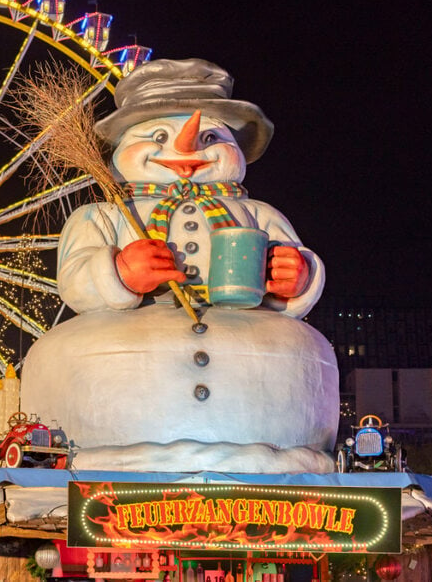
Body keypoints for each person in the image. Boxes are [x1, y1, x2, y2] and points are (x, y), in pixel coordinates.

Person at [20, 58, 339, 473]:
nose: (188, 151)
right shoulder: (103, 215)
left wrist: (295, 278)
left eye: (210, 137)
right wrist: (115, 274)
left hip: (249, 333)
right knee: (66, 351)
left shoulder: (258, 213)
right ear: (120, 148)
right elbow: (76, 276)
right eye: (158, 136)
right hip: (124, 343)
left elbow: (296, 262)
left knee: (302, 347)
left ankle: (284, 456)